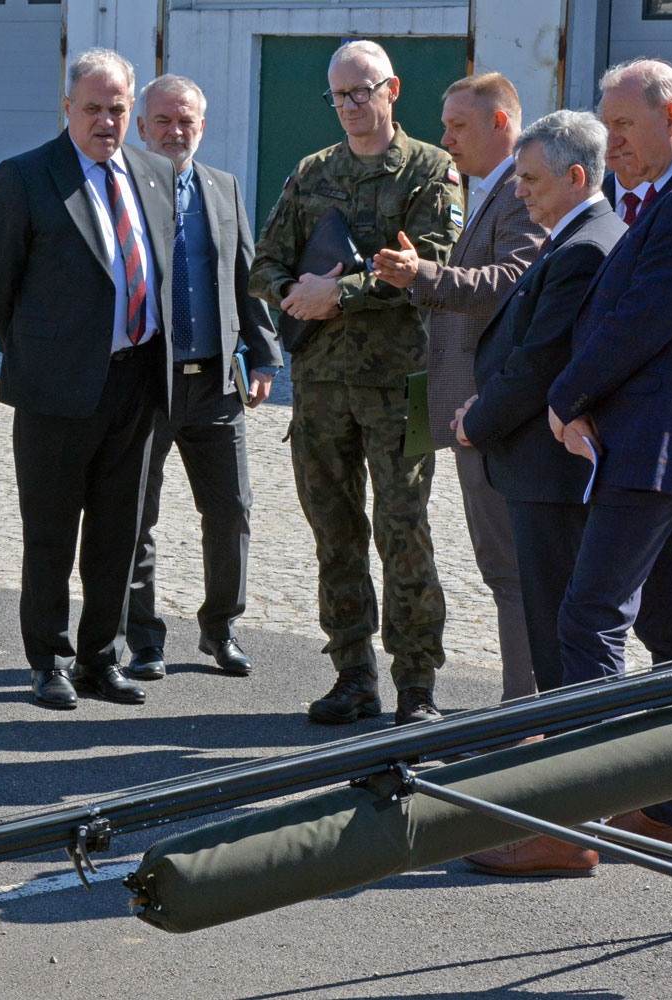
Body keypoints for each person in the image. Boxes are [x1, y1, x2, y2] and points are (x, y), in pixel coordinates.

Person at [545, 58, 672, 849]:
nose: (612, 143)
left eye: (624, 125)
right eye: (606, 127)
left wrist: (564, 397)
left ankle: (577, 818)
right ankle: (669, 811)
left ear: (671, 116)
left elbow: (640, 321)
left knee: (590, 618)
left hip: (651, 446)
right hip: (655, 446)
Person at [249, 40, 462, 726]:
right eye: (338, 95)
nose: (348, 105)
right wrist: (295, 294)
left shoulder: (430, 170)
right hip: (321, 390)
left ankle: (417, 684)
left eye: (360, 92)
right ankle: (353, 675)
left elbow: (430, 268)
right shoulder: (312, 173)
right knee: (334, 533)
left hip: (403, 387)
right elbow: (265, 262)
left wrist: (337, 295)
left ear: (391, 90)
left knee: (404, 530)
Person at [451, 110, 626, 878]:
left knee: (562, 650)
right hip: (541, 469)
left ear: (575, 177)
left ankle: (569, 827)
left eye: (529, 179)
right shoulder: (575, 236)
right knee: (562, 642)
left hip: (551, 476)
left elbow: (539, 360)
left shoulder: (586, 245)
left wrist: (476, 421)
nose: (518, 192)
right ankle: (565, 808)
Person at [0, 48, 175, 711]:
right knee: (51, 534)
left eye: (117, 108)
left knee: (119, 534)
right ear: (67, 108)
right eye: (92, 108)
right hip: (55, 391)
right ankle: (49, 661)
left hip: (136, 385)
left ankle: (99, 659)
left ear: (131, 110)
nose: (105, 121)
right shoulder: (27, 176)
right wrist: (42, 353)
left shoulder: (152, 172)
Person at [370, 71, 546, 703]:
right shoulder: (490, 190)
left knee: (512, 573)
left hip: (494, 411)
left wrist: (423, 275)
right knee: (506, 572)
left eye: (457, 125)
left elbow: (514, 283)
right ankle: (524, 709)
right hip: (478, 409)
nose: (445, 138)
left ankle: (524, 716)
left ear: (501, 123)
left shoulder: (519, 193)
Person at [122, 73, 282, 683]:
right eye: (163, 120)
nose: (174, 131)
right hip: (147, 383)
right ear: (142, 127)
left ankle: (221, 627)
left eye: (185, 120)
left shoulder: (223, 186)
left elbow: (247, 275)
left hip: (216, 383)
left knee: (232, 509)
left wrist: (264, 356)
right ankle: (144, 639)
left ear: (202, 127)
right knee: (137, 514)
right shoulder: (123, 190)